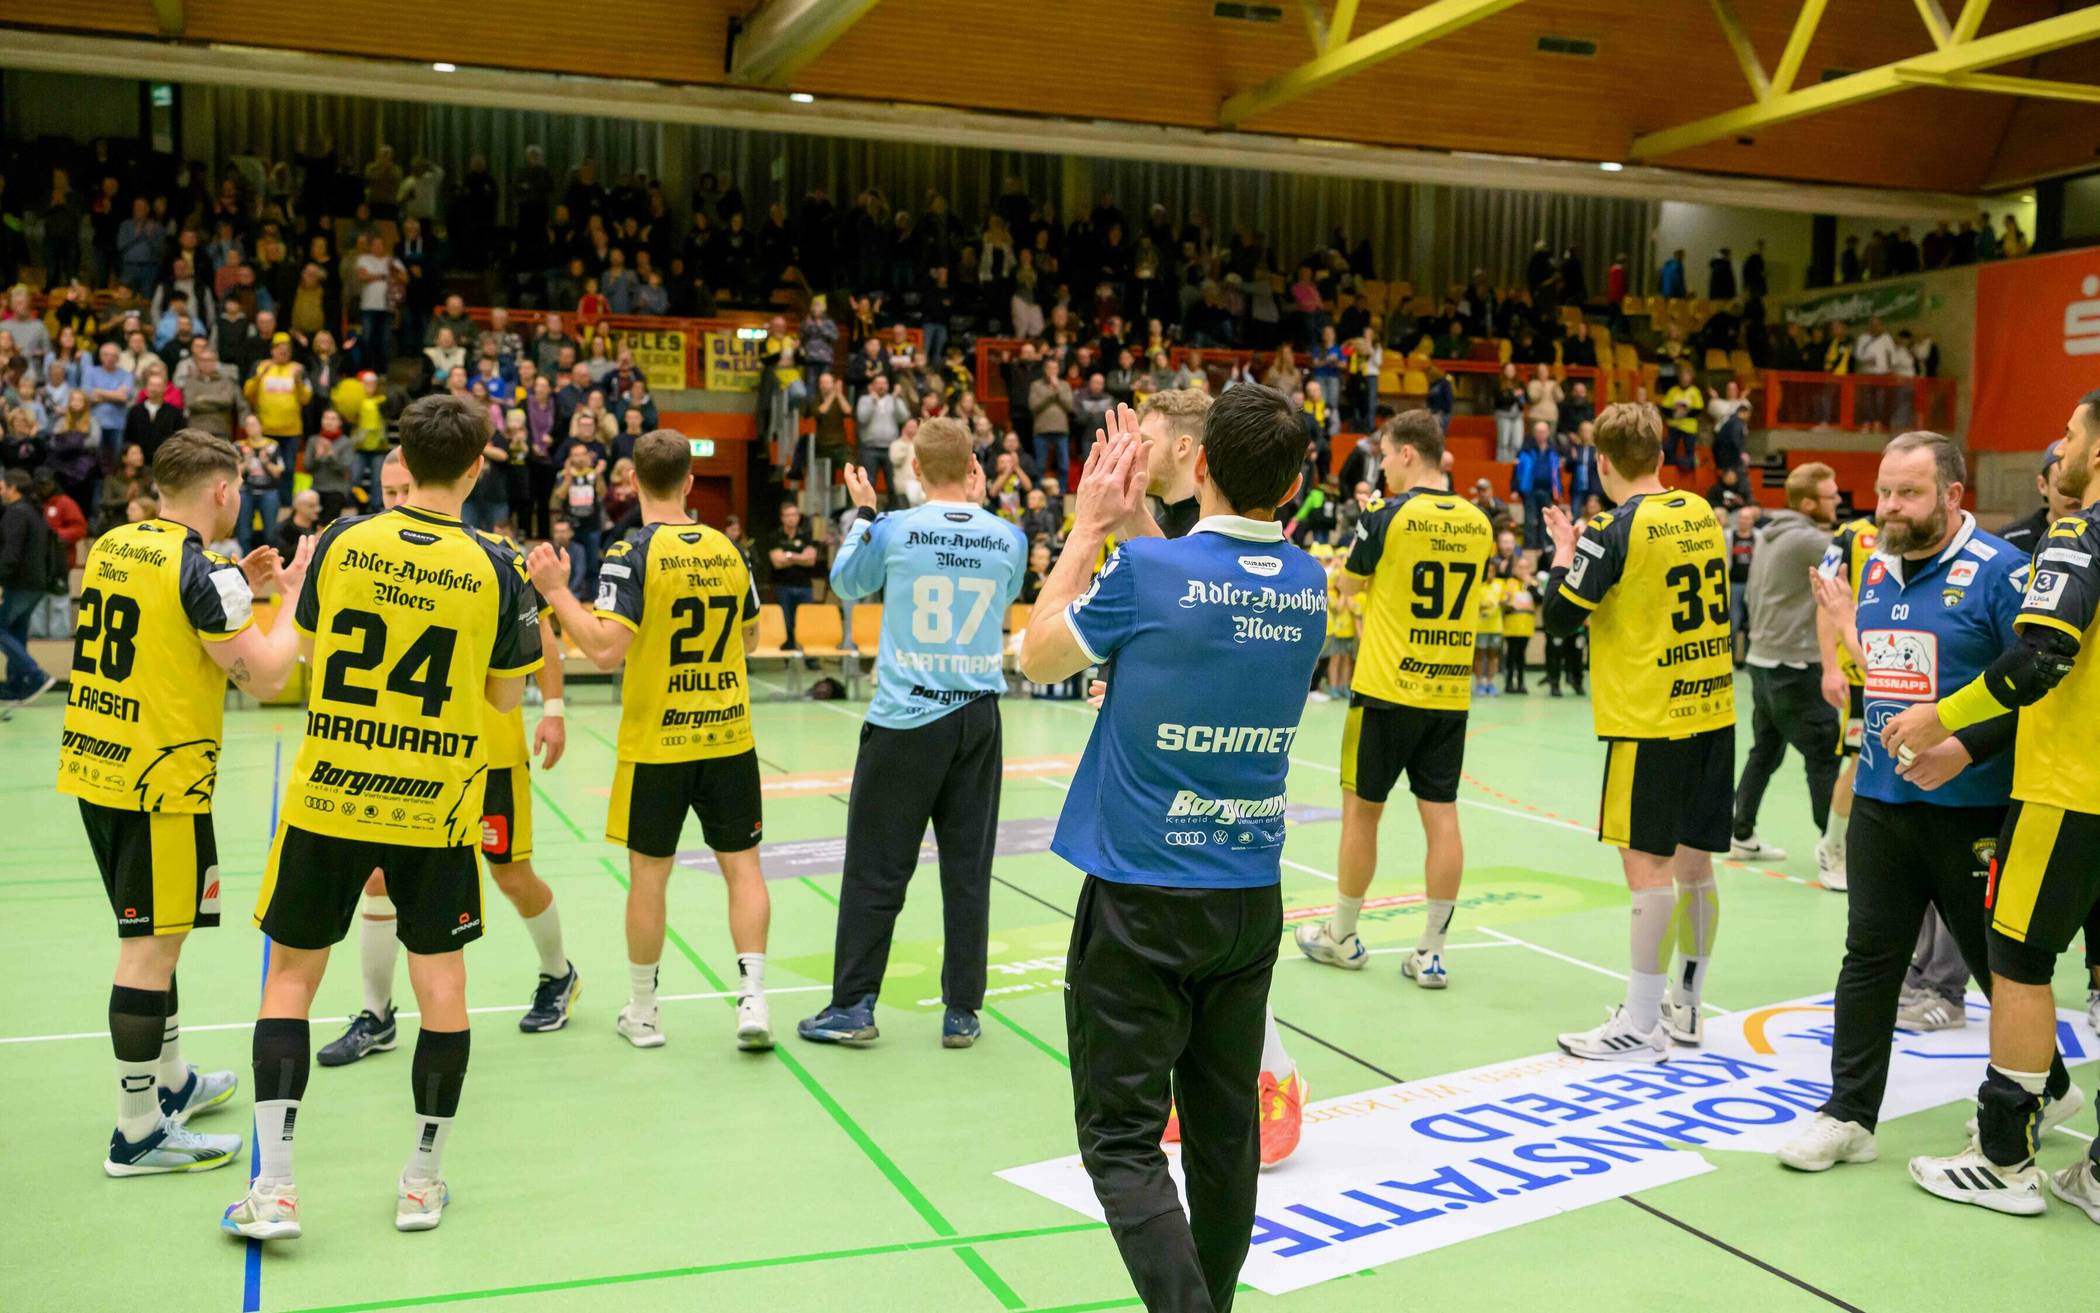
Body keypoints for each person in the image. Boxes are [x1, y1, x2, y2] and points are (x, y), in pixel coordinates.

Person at [1017, 386, 1324, 1313]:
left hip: (1142, 897)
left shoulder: (1148, 576)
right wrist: (1138, 524)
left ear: (1202, 463)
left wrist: (1088, 529)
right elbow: (1202, 598)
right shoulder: (1307, 584)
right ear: (1295, 484)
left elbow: (1037, 654)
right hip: (1248, 899)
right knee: (1225, 1138)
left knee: (1120, 1142)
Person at [222, 395, 544, 1242]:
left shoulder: (341, 542)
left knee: (290, 979)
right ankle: (421, 1182)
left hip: (330, 792)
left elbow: (308, 646)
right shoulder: (496, 565)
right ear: (476, 467)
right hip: (435, 805)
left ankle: (275, 1190)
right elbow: (504, 696)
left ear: (399, 456)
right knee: (443, 989)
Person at [1778, 431, 2080, 1173]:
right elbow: (1892, 676)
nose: (1889, 506)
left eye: (1907, 493)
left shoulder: (2003, 573)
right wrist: (1846, 633)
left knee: (2000, 969)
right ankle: (1849, 1114)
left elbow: (2042, 693)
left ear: (1951, 495)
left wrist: (1963, 748)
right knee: (1869, 958)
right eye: (1884, 491)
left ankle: (2051, 1085)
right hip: (1882, 801)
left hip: (1974, 811)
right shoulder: (1877, 568)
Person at [57, 431, 311, 1177]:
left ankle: (170, 1082)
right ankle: (136, 1132)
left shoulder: (115, 543)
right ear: (223, 490)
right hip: (159, 780)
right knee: (150, 949)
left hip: (98, 762)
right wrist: (291, 598)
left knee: (156, 933)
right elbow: (268, 677)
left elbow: (169, 618)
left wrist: (238, 586)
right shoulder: (207, 574)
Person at [1885, 389, 2100, 1218]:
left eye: (2071, 433)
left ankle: (2004, 1157)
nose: (2060, 445)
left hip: (2069, 790)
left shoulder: (2077, 533)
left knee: (2017, 962)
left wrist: (1943, 716)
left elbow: (2040, 654)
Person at [316, 447, 579, 1068]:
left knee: (510, 874)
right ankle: (376, 1014)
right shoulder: (366, 553)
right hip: (405, 753)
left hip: (488, 751)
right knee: (378, 878)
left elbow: (540, 636)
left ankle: (558, 973)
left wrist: (554, 709)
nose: (396, 500)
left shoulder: (491, 556)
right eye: (387, 490)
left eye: (404, 488)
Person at [526, 430, 772, 1052]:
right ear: (689, 483)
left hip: (658, 745)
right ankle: (754, 1001)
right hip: (728, 738)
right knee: (743, 868)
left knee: (649, 876)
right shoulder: (729, 549)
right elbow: (751, 639)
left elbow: (605, 650)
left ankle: (644, 1012)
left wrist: (556, 590)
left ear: (632, 481)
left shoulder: (629, 552)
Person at [798, 418, 1024, 1048]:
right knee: (968, 870)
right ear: (974, 467)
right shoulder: (1008, 537)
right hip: (978, 720)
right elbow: (1006, 591)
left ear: (915, 470)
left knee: (876, 869)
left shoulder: (894, 528)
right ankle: (962, 1012)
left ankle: (853, 1006)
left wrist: (864, 514)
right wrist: (976, 512)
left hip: (906, 721)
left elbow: (846, 582)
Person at [1539, 403, 1734, 1059]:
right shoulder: (1700, 511)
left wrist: (1565, 553)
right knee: (1696, 865)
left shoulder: (1612, 527)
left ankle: (1641, 1020)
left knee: (1646, 867)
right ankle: (1688, 1005)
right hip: (1713, 709)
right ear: (1659, 455)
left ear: (1601, 461)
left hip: (1650, 719)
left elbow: (1560, 618)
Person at [1297, 409, 1492, 990]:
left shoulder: (1384, 515)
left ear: (1408, 453)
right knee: (1442, 816)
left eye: (1384, 456)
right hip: (1449, 694)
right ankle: (1431, 951)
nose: (1380, 467)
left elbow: (1350, 585)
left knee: (1362, 813)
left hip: (1385, 691)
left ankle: (1342, 936)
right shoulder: (1478, 521)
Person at [1733, 463, 1843, 863]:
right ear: (1809, 503)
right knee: (1824, 756)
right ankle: (1834, 847)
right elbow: (1856, 561)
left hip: (1763, 662)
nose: (1838, 501)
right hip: (1794, 665)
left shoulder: (1770, 534)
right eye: (1831, 496)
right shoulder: (1809, 540)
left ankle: (1740, 831)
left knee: (1765, 751)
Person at [1812, 509, 1881, 890]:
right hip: (1858, 676)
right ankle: (1833, 845)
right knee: (1859, 761)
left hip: (1904, 671)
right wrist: (1830, 668)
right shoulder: (1849, 538)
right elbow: (1826, 601)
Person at [0, 469, 58, 709]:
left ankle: (35, 675)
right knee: (16, 632)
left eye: (2, 486)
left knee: (1, 629)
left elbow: (11, 553)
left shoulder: (16, 513)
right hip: (36, 582)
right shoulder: (34, 511)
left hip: (21, 583)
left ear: (13, 488)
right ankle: (15, 686)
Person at [1998, 439, 2077, 557]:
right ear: (2043, 485)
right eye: (2063, 485)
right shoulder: (2011, 543)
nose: (2075, 495)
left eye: (2083, 485)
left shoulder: (2095, 538)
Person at [765, 500, 820, 667]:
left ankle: (811, 660)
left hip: (805, 586)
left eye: (795, 515)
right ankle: (788, 659)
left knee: (808, 623)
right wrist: (800, 557)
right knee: (786, 623)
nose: (792, 518)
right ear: (782, 518)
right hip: (783, 586)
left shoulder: (806, 536)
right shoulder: (775, 537)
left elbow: (811, 560)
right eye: (788, 515)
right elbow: (777, 562)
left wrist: (789, 556)